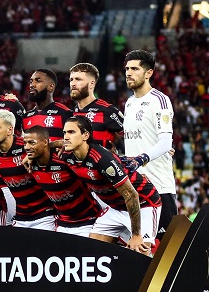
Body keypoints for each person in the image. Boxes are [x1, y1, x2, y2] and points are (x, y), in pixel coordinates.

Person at [61, 116, 161, 255]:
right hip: (115, 208)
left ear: (85, 135)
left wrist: (136, 234)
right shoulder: (67, 154)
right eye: (64, 132)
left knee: (140, 254)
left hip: (142, 203)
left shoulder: (102, 159)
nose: (66, 136)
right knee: (93, 252)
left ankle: (151, 248)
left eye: (71, 132)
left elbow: (131, 195)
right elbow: (50, 144)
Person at [121, 49, 177, 241]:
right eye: (127, 68)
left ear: (148, 73)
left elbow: (165, 141)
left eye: (135, 69)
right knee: (137, 248)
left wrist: (141, 158)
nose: (129, 73)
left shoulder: (159, 100)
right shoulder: (128, 103)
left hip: (159, 186)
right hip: (135, 188)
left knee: (167, 250)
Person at [24, 126, 100, 237]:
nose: (27, 147)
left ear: (45, 142)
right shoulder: (29, 164)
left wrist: (59, 143)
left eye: (32, 143)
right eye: (25, 143)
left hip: (87, 221)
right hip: (62, 224)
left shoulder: (64, 159)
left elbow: (88, 149)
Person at [0, 110, 55, 229]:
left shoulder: (27, 146)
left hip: (44, 216)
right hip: (20, 217)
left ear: (10, 130)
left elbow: (52, 147)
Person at [68, 63, 124, 152]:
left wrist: (113, 156)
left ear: (91, 84)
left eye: (78, 79)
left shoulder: (107, 110)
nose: (73, 84)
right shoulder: (71, 113)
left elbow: (131, 135)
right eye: (71, 79)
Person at [23, 69, 72, 142]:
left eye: (38, 81)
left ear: (51, 86)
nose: (32, 85)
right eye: (31, 81)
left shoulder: (65, 113)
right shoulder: (26, 117)